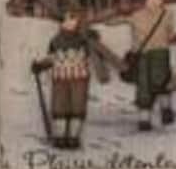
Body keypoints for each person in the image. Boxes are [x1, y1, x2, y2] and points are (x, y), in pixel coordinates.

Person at [32, 9, 117, 149]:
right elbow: (52, 58)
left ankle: (73, 137)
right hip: (60, 79)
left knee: (77, 107)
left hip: (79, 79)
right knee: (60, 108)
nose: (70, 22)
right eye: (67, 19)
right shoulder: (56, 41)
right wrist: (40, 66)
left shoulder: (85, 40)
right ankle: (60, 137)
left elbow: (96, 53)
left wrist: (93, 39)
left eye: (73, 19)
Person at [123, 0, 176, 131]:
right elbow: (113, 20)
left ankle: (166, 110)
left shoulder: (167, 14)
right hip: (142, 55)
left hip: (161, 52)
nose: (155, 1)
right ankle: (144, 119)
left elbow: (169, 34)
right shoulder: (135, 15)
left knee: (162, 82)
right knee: (144, 86)